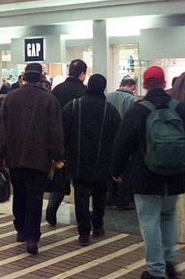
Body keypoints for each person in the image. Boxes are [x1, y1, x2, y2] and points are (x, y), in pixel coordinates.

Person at [111, 66, 185, 279]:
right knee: (168, 217)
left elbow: (122, 143)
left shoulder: (138, 109)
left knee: (149, 221)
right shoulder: (180, 109)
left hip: (145, 177)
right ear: (164, 83)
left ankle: (156, 270)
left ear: (143, 85)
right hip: (174, 178)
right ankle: (169, 261)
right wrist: (176, 159)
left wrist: (116, 170)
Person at [0, 63, 64, 254]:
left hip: (14, 157)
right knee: (35, 196)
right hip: (39, 158)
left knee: (19, 193)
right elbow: (55, 131)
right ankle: (32, 238)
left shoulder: (10, 97)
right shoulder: (50, 99)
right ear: (41, 77)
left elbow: (2, 128)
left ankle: (21, 229)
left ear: (24, 77)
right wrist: (57, 156)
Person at [62, 74, 121, 246]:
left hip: (78, 162)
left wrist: (62, 157)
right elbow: (117, 138)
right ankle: (98, 226)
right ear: (103, 88)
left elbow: (63, 134)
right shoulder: (109, 110)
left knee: (81, 198)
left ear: (88, 86)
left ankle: (83, 233)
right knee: (99, 196)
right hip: (102, 163)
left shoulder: (72, 106)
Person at [46, 58, 88, 226]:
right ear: (83, 74)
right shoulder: (85, 92)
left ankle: (51, 209)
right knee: (80, 185)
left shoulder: (56, 90)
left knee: (59, 180)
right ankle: (82, 220)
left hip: (59, 143)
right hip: (79, 143)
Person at [105, 76, 139, 211]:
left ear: (121, 84)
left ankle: (110, 196)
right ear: (133, 87)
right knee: (126, 171)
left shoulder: (108, 96)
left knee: (111, 169)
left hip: (109, 140)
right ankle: (123, 200)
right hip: (126, 141)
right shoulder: (133, 101)